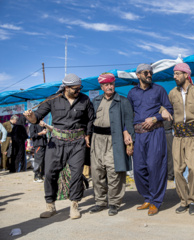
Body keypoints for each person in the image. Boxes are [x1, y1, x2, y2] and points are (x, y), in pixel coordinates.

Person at [23, 73, 94, 219]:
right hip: (56, 142)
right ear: (66, 87)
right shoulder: (53, 99)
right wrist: (31, 117)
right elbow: (37, 116)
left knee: (76, 174)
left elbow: (90, 120)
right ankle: (50, 205)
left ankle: (74, 204)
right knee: (49, 173)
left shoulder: (85, 100)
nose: (78, 91)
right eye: (75, 89)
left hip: (77, 143)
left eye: (79, 88)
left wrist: (87, 135)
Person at [127, 63, 173, 216]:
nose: (149, 74)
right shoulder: (132, 93)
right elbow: (128, 115)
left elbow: (169, 110)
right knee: (139, 169)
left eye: (150, 72)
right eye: (145, 72)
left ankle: (156, 201)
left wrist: (155, 118)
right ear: (138, 75)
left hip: (155, 133)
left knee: (155, 167)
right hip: (139, 135)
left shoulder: (159, 90)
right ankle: (147, 197)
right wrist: (127, 135)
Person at [89, 73, 135, 216]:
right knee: (97, 172)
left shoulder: (123, 101)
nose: (109, 87)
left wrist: (128, 139)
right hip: (97, 139)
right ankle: (100, 202)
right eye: (106, 85)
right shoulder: (95, 101)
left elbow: (129, 122)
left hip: (114, 139)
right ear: (102, 87)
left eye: (111, 84)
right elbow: (89, 120)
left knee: (114, 171)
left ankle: (114, 203)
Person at [168, 63, 194, 215]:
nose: (175, 77)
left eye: (177, 74)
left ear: (186, 75)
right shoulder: (172, 93)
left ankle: (193, 201)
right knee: (177, 170)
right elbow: (167, 109)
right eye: (174, 74)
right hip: (178, 137)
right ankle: (184, 200)